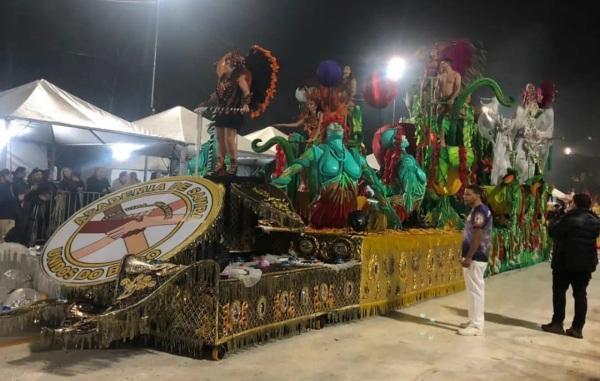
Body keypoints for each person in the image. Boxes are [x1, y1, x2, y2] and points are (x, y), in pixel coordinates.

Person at [542, 193, 600, 339]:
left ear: (574, 203)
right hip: (585, 264)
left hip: (564, 262)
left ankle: (557, 323)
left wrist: (557, 216)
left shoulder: (568, 218)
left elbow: (553, 232)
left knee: (559, 291)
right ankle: (577, 328)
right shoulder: (595, 220)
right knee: (580, 294)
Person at [201, 51, 251, 176]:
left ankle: (233, 165)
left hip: (233, 112)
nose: (225, 66)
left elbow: (246, 92)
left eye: (228, 64)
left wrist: (245, 104)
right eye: (226, 63)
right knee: (219, 138)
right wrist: (205, 104)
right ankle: (220, 164)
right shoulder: (222, 78)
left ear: (235, 66)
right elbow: (215, 95)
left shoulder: (240, 78)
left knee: (229, 139)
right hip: (221, 112)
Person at [458, 184, 493, 336]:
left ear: (477, 196)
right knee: (472, 290)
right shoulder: (476, 210)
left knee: (476, 290)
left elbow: (478, 235)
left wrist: (470, 256)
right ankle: (473, 320)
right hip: (473, 256)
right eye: (464, 194)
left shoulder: (480, 211)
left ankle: (477, 325)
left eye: (468, 194)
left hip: (476, 256)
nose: (465, 197)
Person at [435, 58, 461, 146]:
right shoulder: (440, 76)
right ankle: (442, 141)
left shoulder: (456, 75)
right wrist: (436, 98)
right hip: (442, 100)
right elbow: (437, 89)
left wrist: (452, 98)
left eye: (442, 63)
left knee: (453, 120)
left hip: (452, 99)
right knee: (439, 119)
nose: (441, 65)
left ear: (447, 64)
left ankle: (454, 141)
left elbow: (457, 89)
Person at [0, 169, 17, 241]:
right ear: (2, 177)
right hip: (5, 218)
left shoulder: (7, 187)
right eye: (8, 175)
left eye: (11, 174)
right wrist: (17, 199)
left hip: (8, 217)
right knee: (5, 240)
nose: (11, 176)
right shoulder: (2, 187)